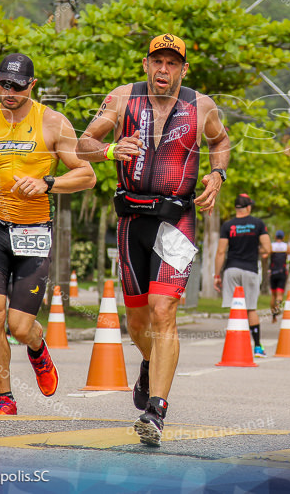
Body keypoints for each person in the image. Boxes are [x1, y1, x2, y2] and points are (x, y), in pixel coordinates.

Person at [76, 33, 230, 447]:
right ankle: (149, 361)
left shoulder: (201, 107)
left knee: (164, 311)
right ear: (146, 64)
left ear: (183, 69)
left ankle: (156, 410)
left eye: (172, 63)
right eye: (157, 62)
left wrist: (218, 174)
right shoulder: (122, 99)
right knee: (139, 321)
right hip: (131, 218)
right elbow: (83, 143)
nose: (164, 70)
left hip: (176, 219)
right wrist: (109, 151)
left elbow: (220, 141)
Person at [0, 53, 95, 416]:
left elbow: (87, 175)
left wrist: (49, 183)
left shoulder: (53, 123)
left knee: (19, 325)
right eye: (3, 84)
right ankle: (5, 399)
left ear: (32, 85)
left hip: (34, 232)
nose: (8, 91)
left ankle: (37, 347)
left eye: (17, 85)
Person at [215, 194, 270, 357]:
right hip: (250, 270)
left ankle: (235, 347)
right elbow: (267, 248)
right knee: (251, 308)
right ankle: (258, 347)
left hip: (231, 269)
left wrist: (216, 275)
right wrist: (256, 251)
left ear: (235, 208)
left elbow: (220, 252)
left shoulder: (228, 225)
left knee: (235, 308)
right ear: (248, 207)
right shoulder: (258, 224)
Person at [268, 230, 290, 323]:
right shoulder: (286, 247)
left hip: (273, 272)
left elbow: (265, 255)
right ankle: (279, 302)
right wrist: (288, 262)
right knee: (279, 295)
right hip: (282, 272)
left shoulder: (271, 246)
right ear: (283, 238)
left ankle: (273, 317)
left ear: (275, 237)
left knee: (273, 295)